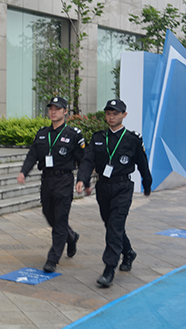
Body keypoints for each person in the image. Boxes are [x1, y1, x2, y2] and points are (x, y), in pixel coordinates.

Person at [76, 99, 152, 288]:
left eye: (115, 114)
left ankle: (109, 268)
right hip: (103, 187)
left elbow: (142, 164)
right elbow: (88, 160)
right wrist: (82, 179)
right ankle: (129, 253)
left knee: (114, 227)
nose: (111, 117)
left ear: (124, 115)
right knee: (111, 225)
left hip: (123, 187)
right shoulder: (98, 138)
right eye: (108, 113)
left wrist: (147, 184)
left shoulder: (132, 140)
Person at [17, 96, 85, 273]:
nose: (53, 112)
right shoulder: (42, 133)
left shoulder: (73, 135)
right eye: (51, 109)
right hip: (47, 180)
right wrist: (23, 172)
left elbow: (83, 160)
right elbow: (32, 155)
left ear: (65, 112)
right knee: (49, 214)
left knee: (60, 219)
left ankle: (53, 259)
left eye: (57, 109)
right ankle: (71, 237)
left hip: (64, 180)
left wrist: (82, 179)